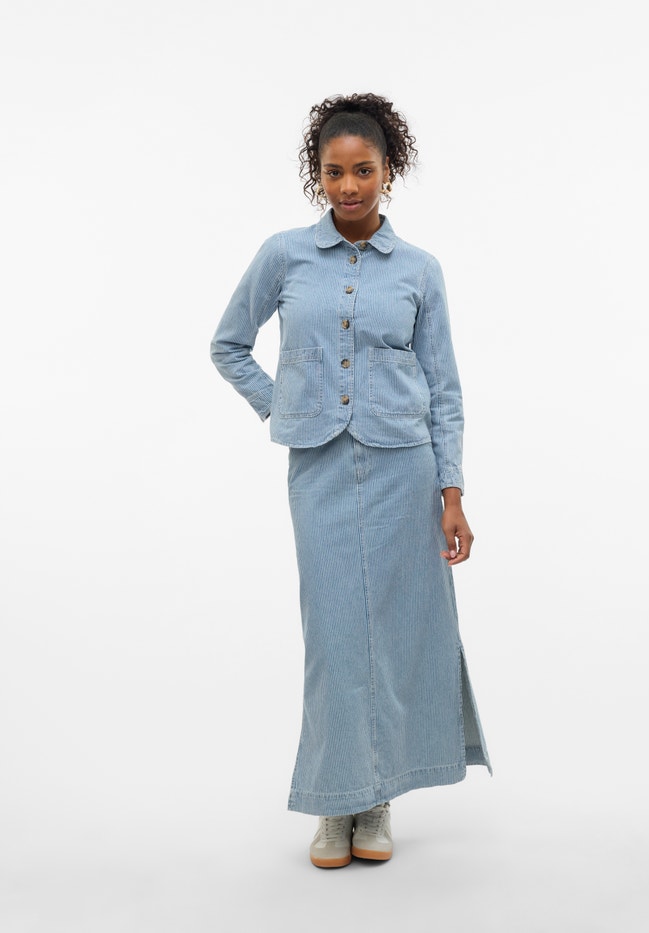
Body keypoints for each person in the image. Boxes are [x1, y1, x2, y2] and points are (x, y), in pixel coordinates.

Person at [210, 92, 491, 869]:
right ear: (318, 176)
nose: (349, 186)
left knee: (399, 636)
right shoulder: (283, 256)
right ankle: (335, 801)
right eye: (334, 172)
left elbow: (444, 386)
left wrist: (453, 492)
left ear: (388, 170)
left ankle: (379, 799)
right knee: (334, 638)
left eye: (363, 170)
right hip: (320, 470)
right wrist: (282, 406)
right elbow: (228, 344)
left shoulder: (421, 270)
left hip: (407, 470)